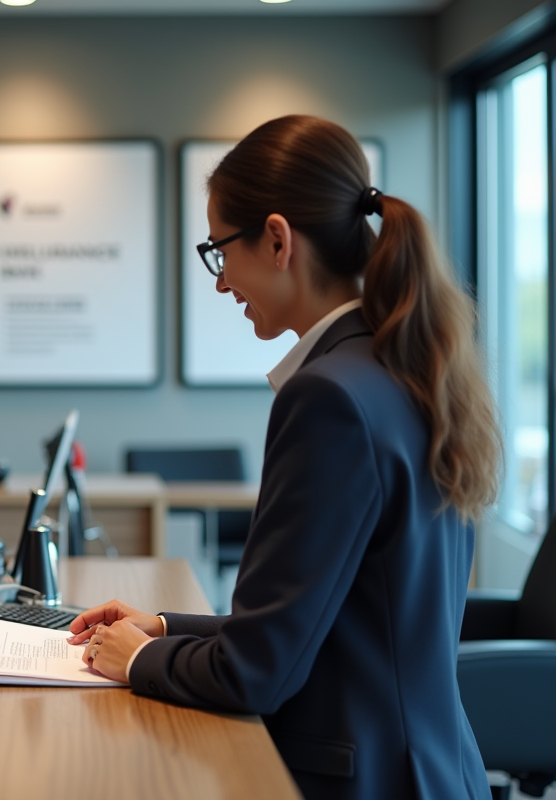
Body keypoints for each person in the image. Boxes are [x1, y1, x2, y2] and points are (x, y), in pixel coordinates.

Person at [69, 115, 499, 800]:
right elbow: (333, 616)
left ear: (276, 239)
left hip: (365, 777)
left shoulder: (328, 396)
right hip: (431, 766)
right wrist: (166, 625)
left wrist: (143, 658)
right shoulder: (405, 367)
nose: (218, 283)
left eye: (219, 252)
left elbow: (259, 673)